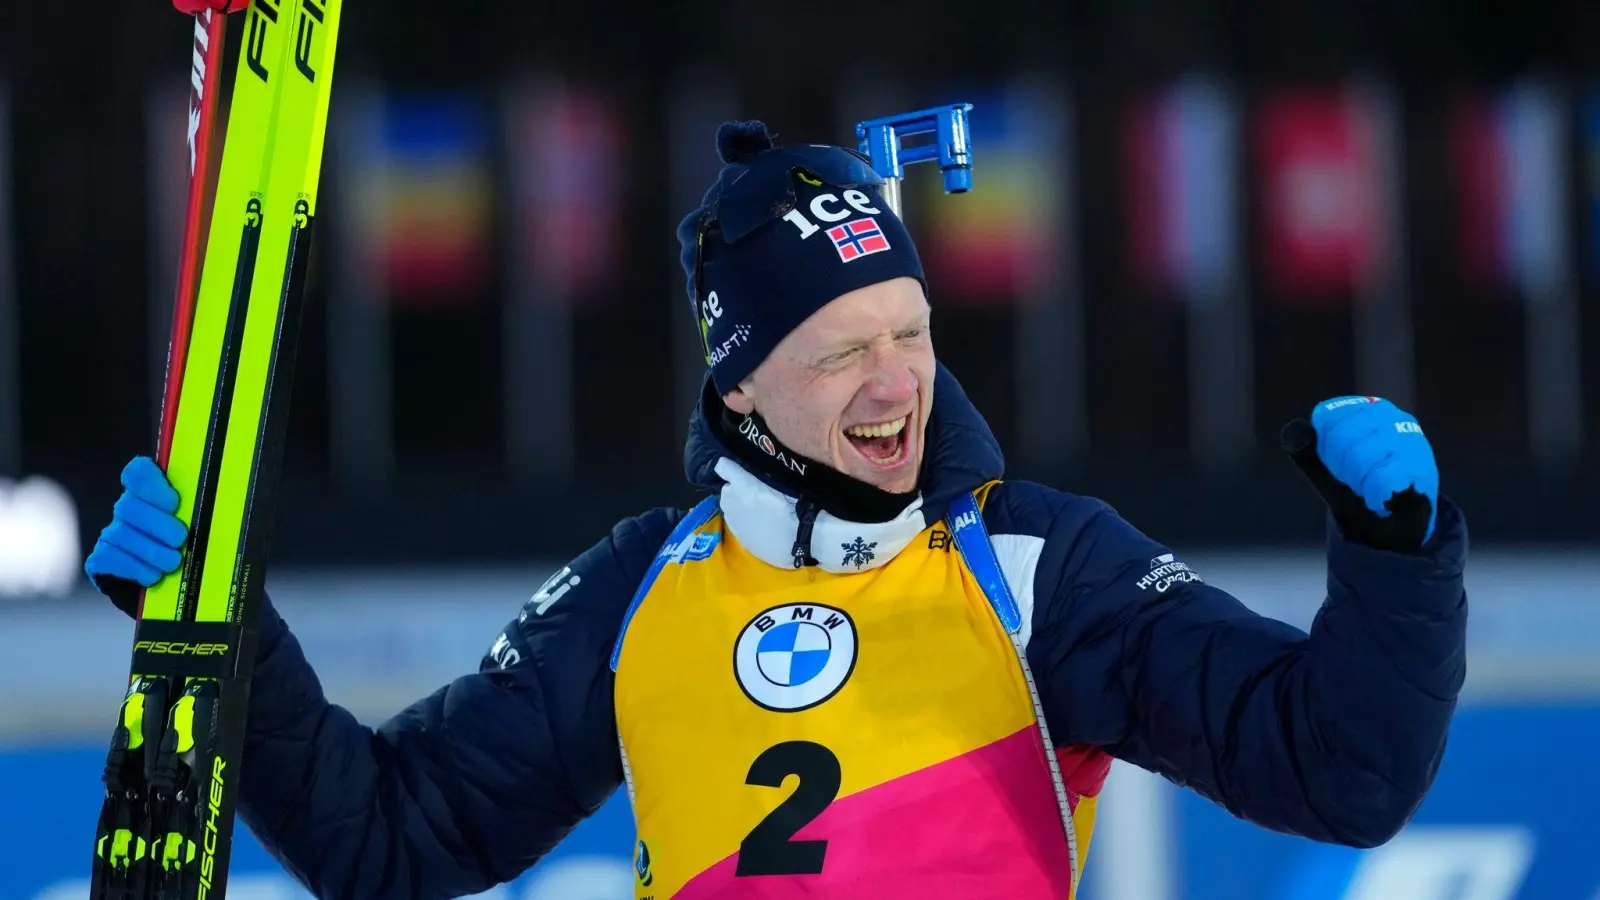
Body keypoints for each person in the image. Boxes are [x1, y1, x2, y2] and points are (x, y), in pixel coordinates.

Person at [85, 120, 1467, 900]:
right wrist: (221, 627)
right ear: (740, 390)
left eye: (911, 331)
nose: (897, 383)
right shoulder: (648, 586)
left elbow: (1337, 770)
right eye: (840, 350)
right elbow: (388, 843)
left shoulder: (1038, 566)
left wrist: (1398, 553)